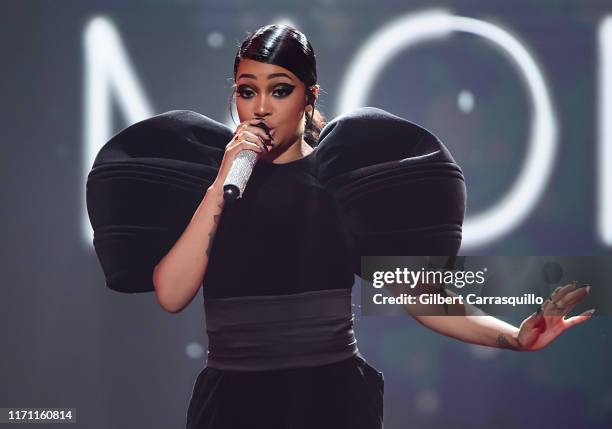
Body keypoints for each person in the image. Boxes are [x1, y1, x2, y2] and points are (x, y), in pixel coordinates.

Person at [86, 24, 594, 429]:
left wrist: (516, 338)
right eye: (247, 91)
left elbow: (423, 299)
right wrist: (221, 180)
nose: (260, 107)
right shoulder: (215, 185)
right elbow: (172, 295)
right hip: (233, 403)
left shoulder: (345, 177)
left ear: (309, 97)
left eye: (279, 90)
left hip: (330, 400)